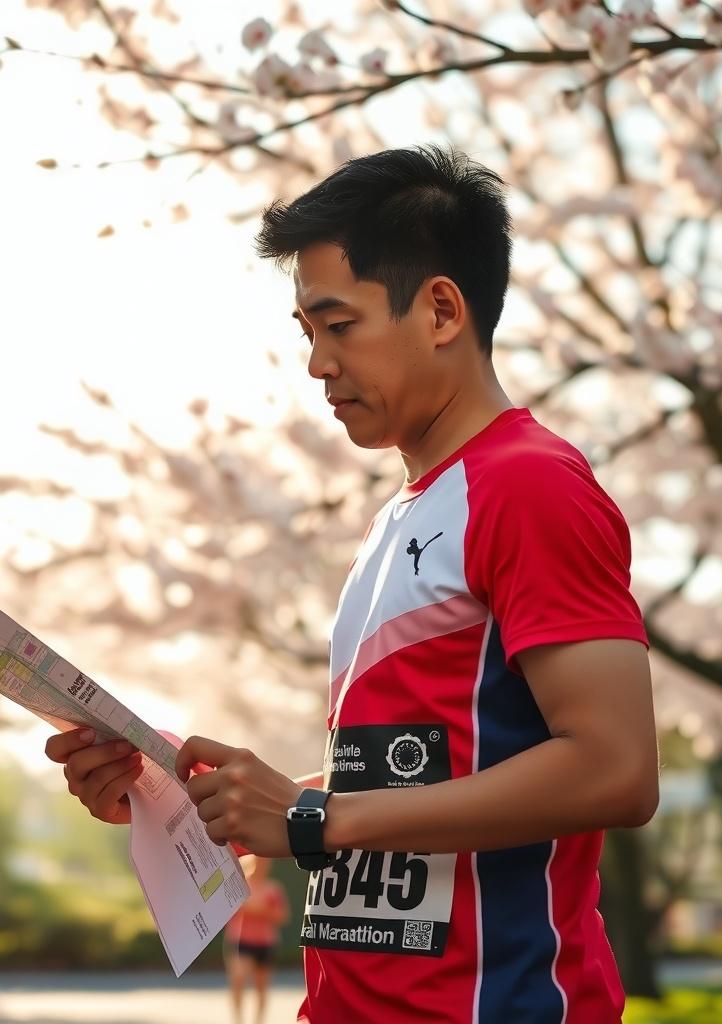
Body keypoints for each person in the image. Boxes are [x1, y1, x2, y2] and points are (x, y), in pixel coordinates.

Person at [45, 145, 660, 1023]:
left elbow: (618, 769)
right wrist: (187, 805)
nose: (317, 365)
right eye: (307, 332)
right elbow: (404, 784)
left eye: (339, 325)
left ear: (442, 310)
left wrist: (311, 819)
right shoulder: (394, 522)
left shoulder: (529, 484)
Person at [224, 856, 290, 1024]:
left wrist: (259, 911)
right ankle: (238, 1020)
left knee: (261, 987)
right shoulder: (242, 885)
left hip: (265, 942)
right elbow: (232, 909)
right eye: (260, 862)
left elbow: (282, 916)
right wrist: (258, 910)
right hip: (242, 941)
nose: (263, 865)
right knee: (239, 978)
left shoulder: (273, 888)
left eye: (266, 863)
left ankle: (258, 1021)